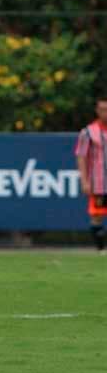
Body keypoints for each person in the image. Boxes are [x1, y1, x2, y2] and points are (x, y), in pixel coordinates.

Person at [75, 96, 107, 254]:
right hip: (99, 181)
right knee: (97, 215)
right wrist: (85, 180)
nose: (105, 113)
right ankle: (101, 250)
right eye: (102, 109)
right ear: (97, 111)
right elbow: (81, 155)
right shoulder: (88, 132)